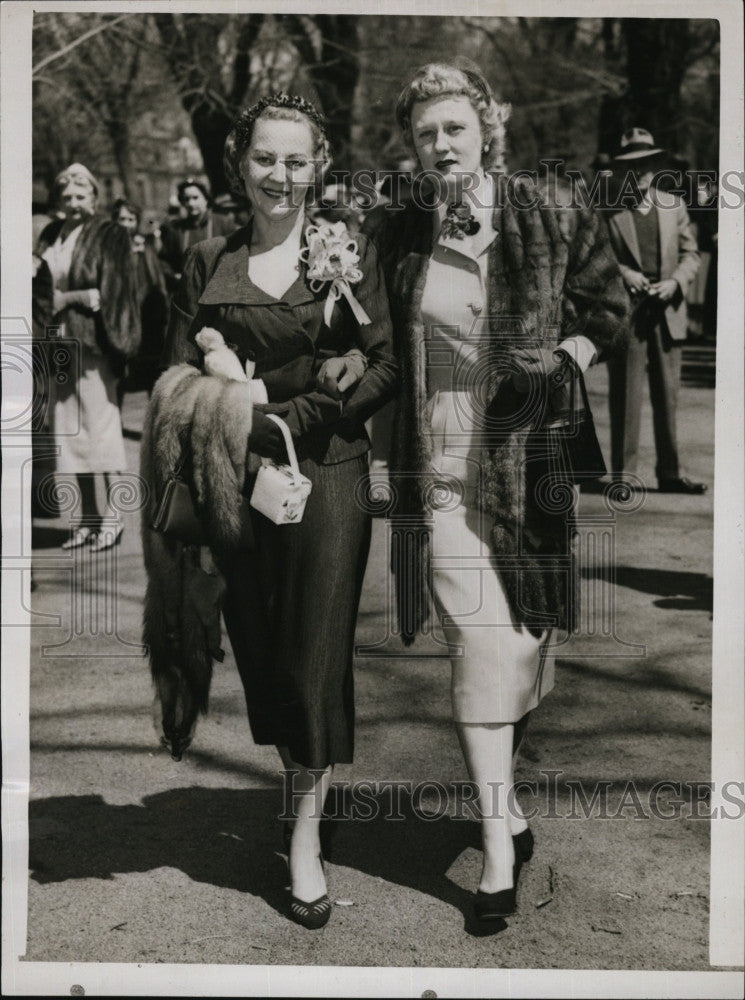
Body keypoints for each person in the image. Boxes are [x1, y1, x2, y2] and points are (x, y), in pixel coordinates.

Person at [361, 61, 628, 925]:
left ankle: (505, 805)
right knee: (479, 648)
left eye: (453, 129)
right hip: (438, 468)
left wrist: (567, 361)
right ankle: (496, 853)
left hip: (531, 463)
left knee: (523, 644)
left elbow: (609, 310)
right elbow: (375, 338)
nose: (440, 146)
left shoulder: (551, 208)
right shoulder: (399, 227)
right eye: (425, 133)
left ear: (486, 130)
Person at [151, 93, 397, 929]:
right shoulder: (206, 260)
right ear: (240, 162)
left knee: (313, 655)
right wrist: (228, 404)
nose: (280, 176)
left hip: (326, 473)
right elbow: (176, 372)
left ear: (318, 164)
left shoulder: (344, 253)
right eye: (265, 158)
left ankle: (304, 840)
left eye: (297, 160)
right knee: (260, 650)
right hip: (236, 481)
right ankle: (296, 784)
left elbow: (382, 367)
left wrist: (286, 409)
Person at [34, 164, 141, 551]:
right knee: (71, 433)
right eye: (67, 197)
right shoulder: (50, 234)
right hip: (59, 342)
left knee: (102, 430)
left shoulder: (109, 234)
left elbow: (112, 291)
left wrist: (70, 299)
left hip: (93, 343)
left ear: (94, 199)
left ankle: (114, 519)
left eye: (82, 197)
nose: (74, 203)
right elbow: (39, 284)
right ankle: (87, 519)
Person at [606, 127, 705, 493]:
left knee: (668, 397)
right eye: (634, 165)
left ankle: (670, 473)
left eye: (648, 164)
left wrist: (676, 282)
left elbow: (690, 254)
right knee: (626, 397)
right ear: (621, 170)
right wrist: (625, 272)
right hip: (627, 314)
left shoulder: (673, 205)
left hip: (666, 312)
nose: (642, 172)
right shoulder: (609, 210)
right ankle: (623, 476)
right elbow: (595, 257)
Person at [111, 198, 169, 398]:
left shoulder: (145, 244)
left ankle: (152, 422)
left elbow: (157, 277)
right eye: (121, 219)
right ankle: (115, 424)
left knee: (151, 370)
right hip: (122, 316)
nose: (126, 224)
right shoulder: (109, 247)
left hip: (147, 316)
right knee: (120, 372)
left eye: (130, 219)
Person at [157, 178, 235, 292]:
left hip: (221, 291)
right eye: (186, 199)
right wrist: (175, 277)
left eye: (195, 197)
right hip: (189, 293)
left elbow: (238, 255)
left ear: (206, 199)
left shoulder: (223, 223)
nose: (191, 203)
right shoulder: (176, 229)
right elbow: (164, 261)